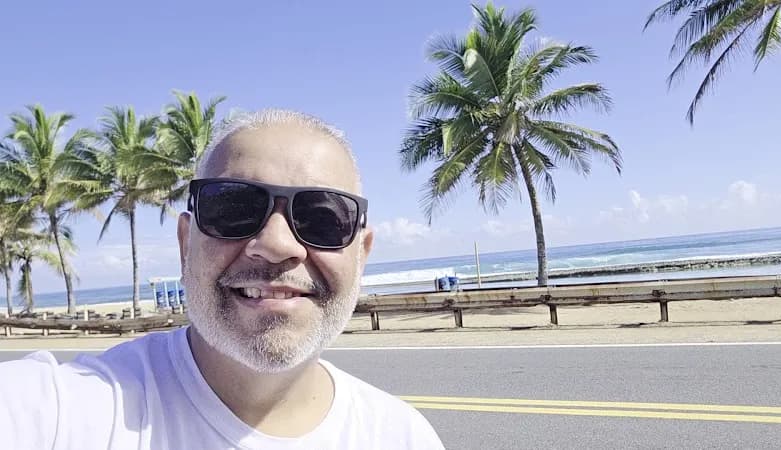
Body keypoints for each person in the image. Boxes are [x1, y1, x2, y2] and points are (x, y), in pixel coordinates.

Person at [0, 109, 446, 449]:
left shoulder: (402, 437)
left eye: (323, 218)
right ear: (185, 245)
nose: (277, 244)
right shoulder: (63, 412)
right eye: (233, 209)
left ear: (361, 256)